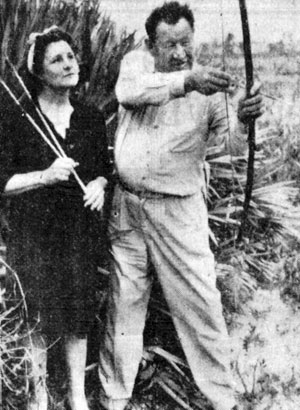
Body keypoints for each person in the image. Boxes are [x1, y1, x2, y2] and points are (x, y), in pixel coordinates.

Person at [98, 2, 263, 410]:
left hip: (179, 211)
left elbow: (230, 145)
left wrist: (243, 118)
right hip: (129, 207)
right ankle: (113, 397)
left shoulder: (211, 88)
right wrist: (187, 81)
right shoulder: (137, 65)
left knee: (201, 303)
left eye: (185, 42)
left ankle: (223, 399)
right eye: (169, 44)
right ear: (151, 45)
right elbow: (129, 92)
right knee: (124, 305)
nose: (179, 53)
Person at [0, 27, 110, 410]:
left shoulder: (91, 118)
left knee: (78, 315)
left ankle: (77, 395)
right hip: (35, 234)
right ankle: (39, 394)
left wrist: (98, 184)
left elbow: (103, 170)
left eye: (70, 57)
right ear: (39, 72)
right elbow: (3, 182)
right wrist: (44, 176)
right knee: (36, 315)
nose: (68, 65)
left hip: (78, 234)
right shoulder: (20, 119)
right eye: (56, 60)